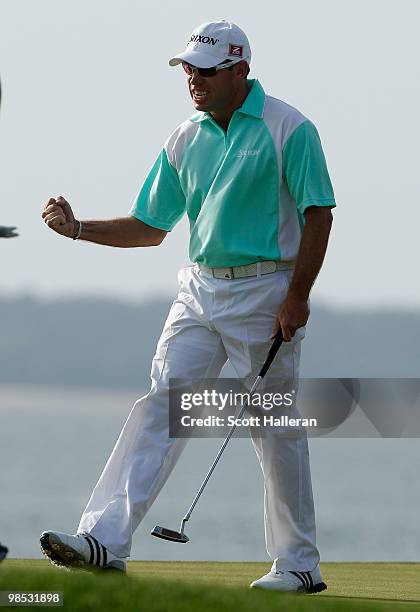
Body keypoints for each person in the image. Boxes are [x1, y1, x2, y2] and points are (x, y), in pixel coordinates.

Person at [40, 20, 335, 592]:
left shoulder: (289, 128)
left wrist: (298, 296)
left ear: (239, 71)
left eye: (205, 70)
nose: (193, 80)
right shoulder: (184, 136)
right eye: (188, 70)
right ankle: (105, 540)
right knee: (162, 404)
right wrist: (78, 229)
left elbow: (317, 213)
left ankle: (298, 564)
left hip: (267, 290)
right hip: (199, 290)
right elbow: (150, 227)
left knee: (271, 427)